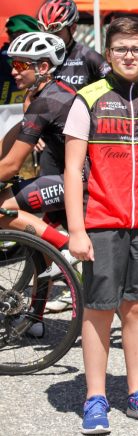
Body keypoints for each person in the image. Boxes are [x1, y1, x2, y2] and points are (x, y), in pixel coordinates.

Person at [64, 17, 138, 434]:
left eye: (137, 49)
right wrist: (76, 229)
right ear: (108, 54)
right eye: (121, 49)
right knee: (99, 308)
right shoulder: (88, 99)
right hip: (102, 221)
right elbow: (72, 170)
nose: (129, 56)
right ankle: (95, 397)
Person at [0, 32, 76, 270]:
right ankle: (40, 292)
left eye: (21, 65)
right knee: (38, 256)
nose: (14, 71)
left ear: (43, 67)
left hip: (81, 181)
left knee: (1, 206)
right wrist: (26, 113)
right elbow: (5, 149)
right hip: (77, 177)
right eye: (13, 64)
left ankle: (64, 246)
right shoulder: (52, 92)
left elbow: (11, 165)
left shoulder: (44, 102)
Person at [36, 0, 105, 92]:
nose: (50, 38)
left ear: (73, 28)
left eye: (57, 33)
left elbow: (114, 90)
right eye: (47, 33)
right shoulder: (37, 57)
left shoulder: (90, 57)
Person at [1, 14, 40, 104]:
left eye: (16, 36)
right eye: (11, 35)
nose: (11, 40)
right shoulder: (5, 54)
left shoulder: (43, 57)